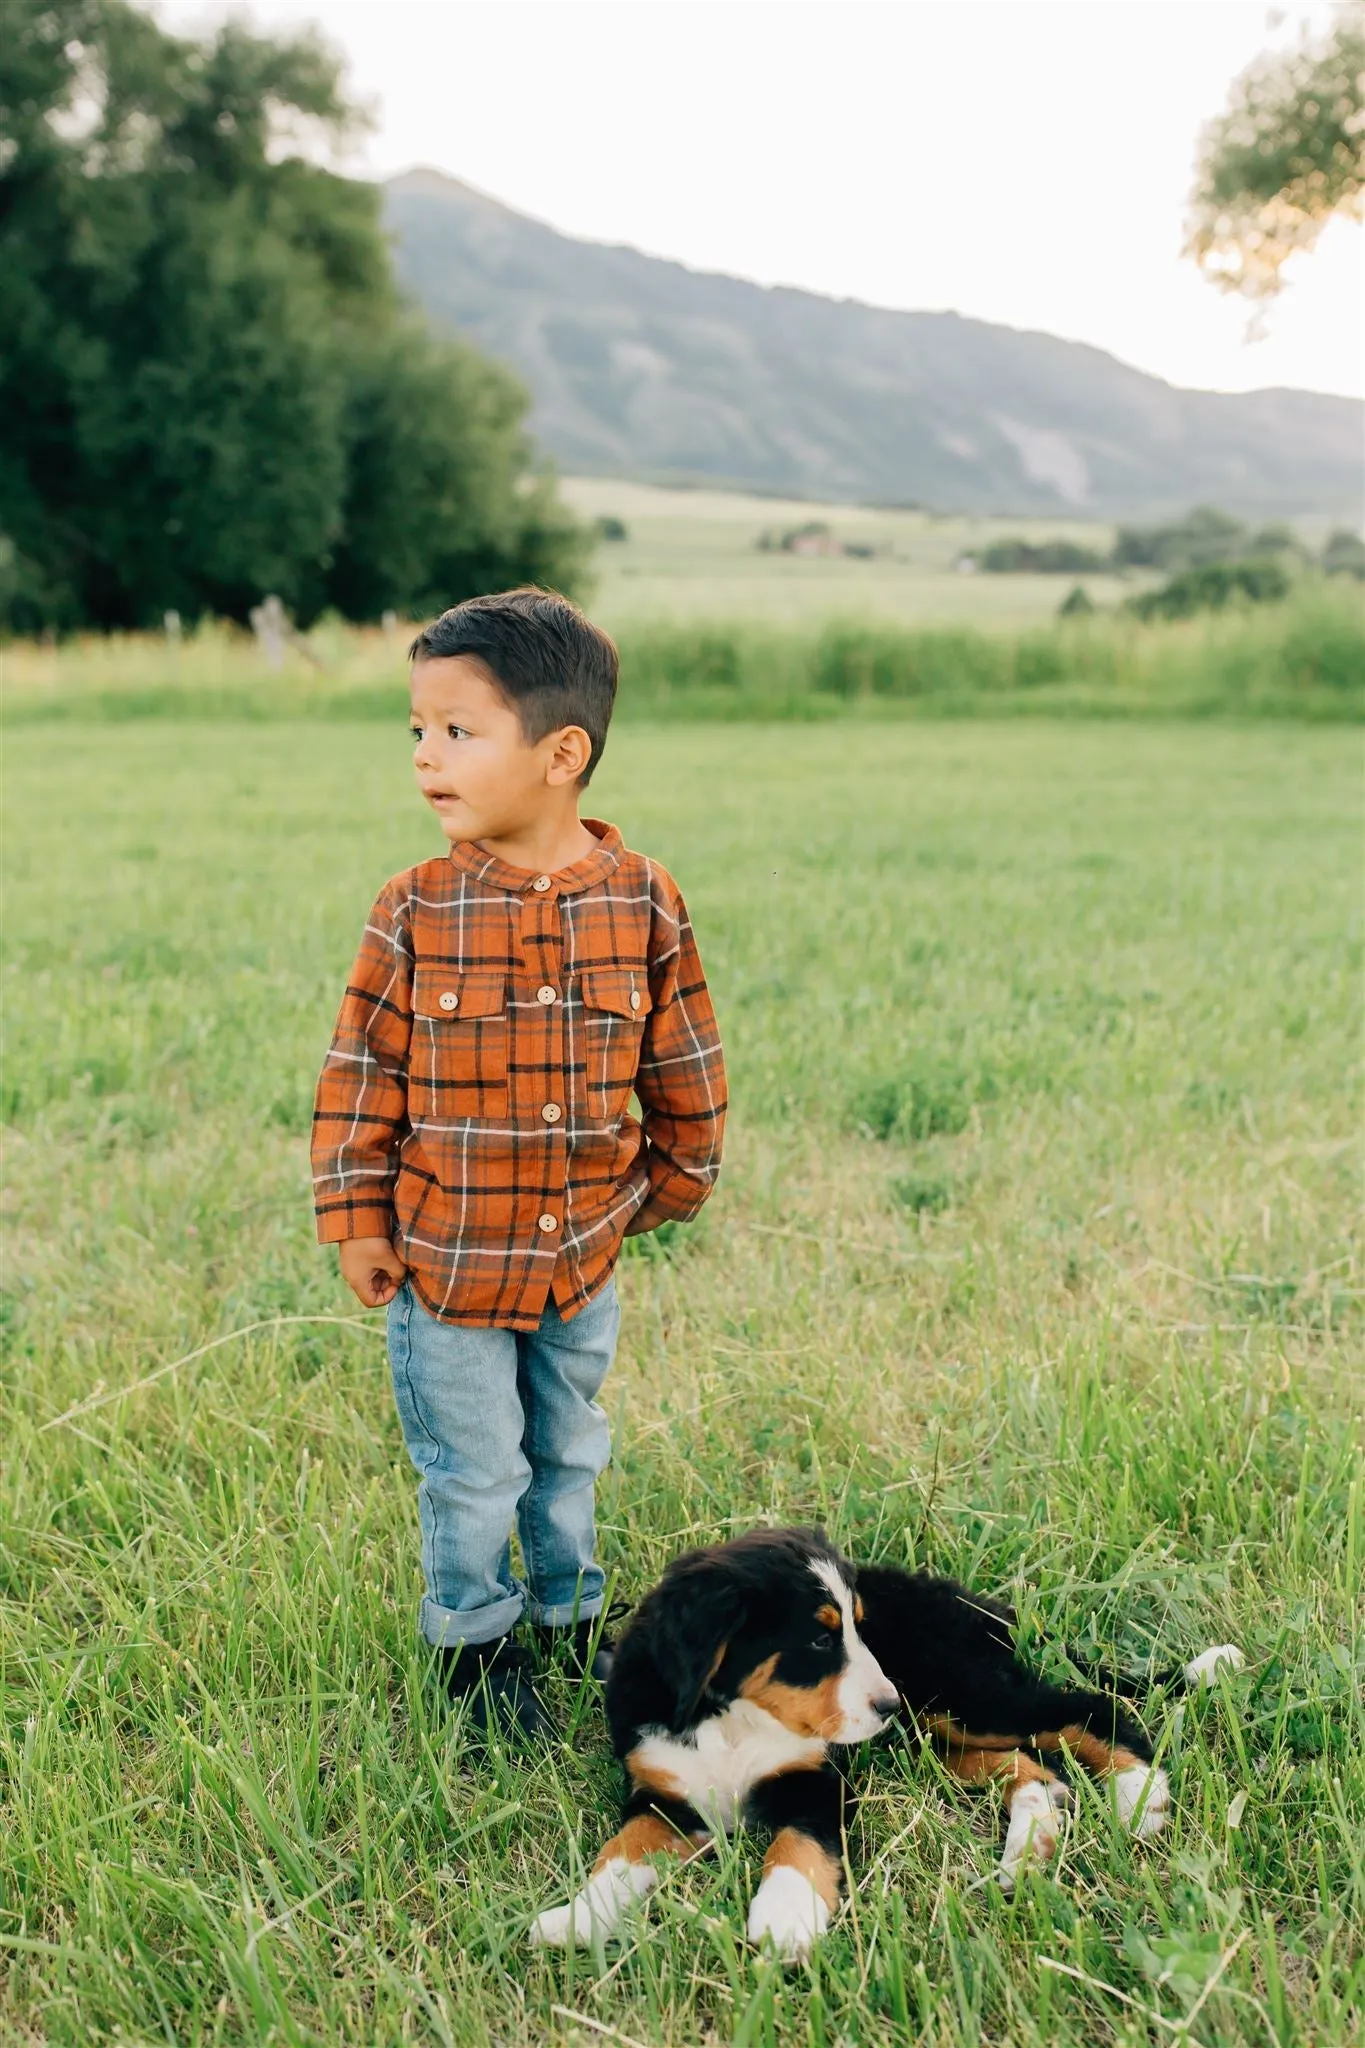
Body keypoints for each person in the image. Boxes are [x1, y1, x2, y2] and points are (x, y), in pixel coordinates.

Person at [312, 588, 727, 1743]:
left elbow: (682, 1053)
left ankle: (569, 1615)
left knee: (568, 1448)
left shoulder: (642, 899)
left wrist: (676, 1179)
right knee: (474, 1471)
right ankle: (474, 1644)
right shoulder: (415, 908)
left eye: (457, 731)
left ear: (562, 754)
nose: (425, 759)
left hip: (582, 1257)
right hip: (446, 1265)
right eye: (416, 732)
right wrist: (356, 1216)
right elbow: (360, 1072)